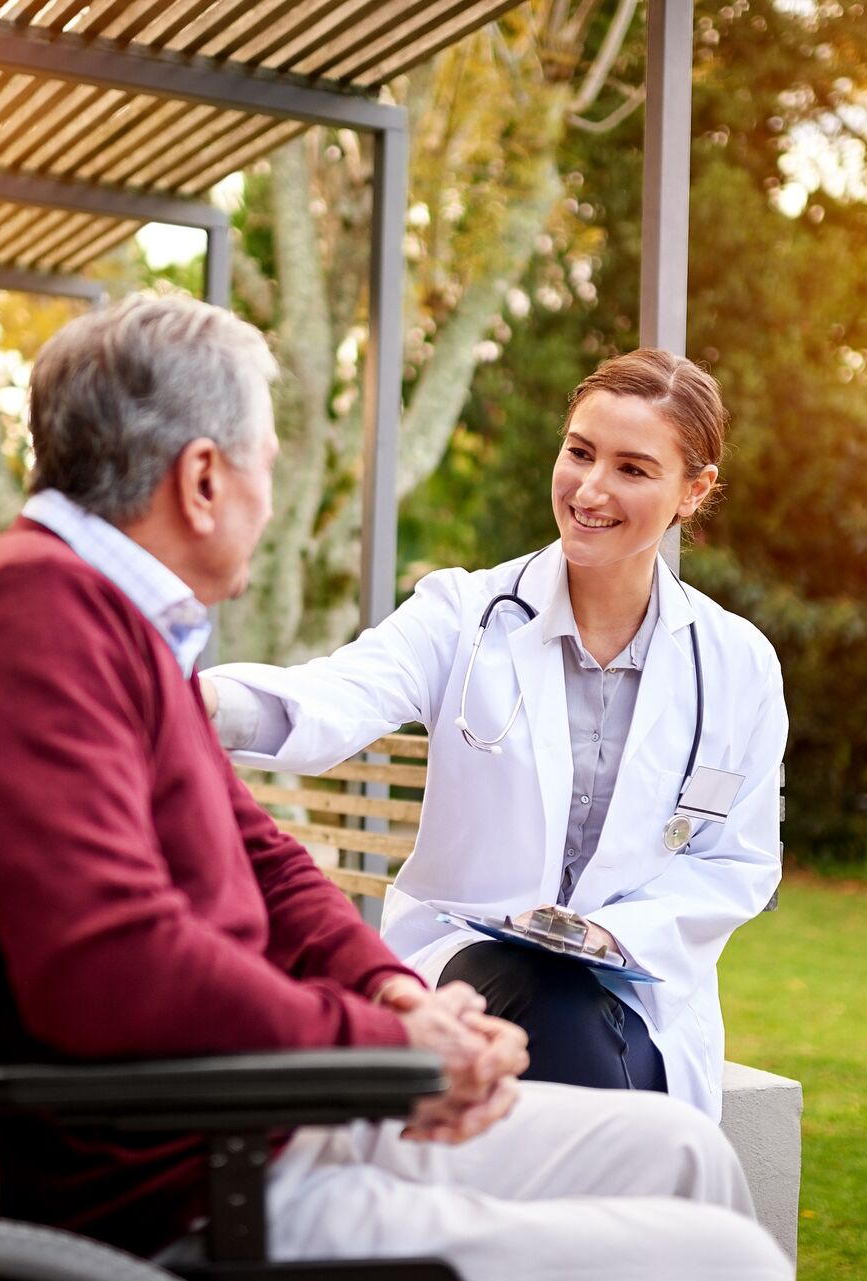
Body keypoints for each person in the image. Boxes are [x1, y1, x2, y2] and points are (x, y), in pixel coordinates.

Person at [0, 295, 789, 1280]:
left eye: (633, 467)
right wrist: (384, 1044)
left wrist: (391, 995)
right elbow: (119, 965)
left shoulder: (99, 621)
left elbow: (263, 860)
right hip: (192, 1171)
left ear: (692, 492)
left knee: (685, 1152)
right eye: (268, 463)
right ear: (204, 480)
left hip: (252, 1113)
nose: (272, 505)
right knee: (732, 1256)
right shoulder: (33, 620)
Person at [203, 349, 787, 1119]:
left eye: (632, 469)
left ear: (694, 489)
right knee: (549, 1001)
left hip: (639, 996)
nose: (590, 488)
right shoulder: (463, 613)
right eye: (579, 452)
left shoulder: (737, 665)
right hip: (472, 970)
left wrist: (605, 935)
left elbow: (737, 863)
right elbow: (336, 696)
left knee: (572, 1010)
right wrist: (197, 701)